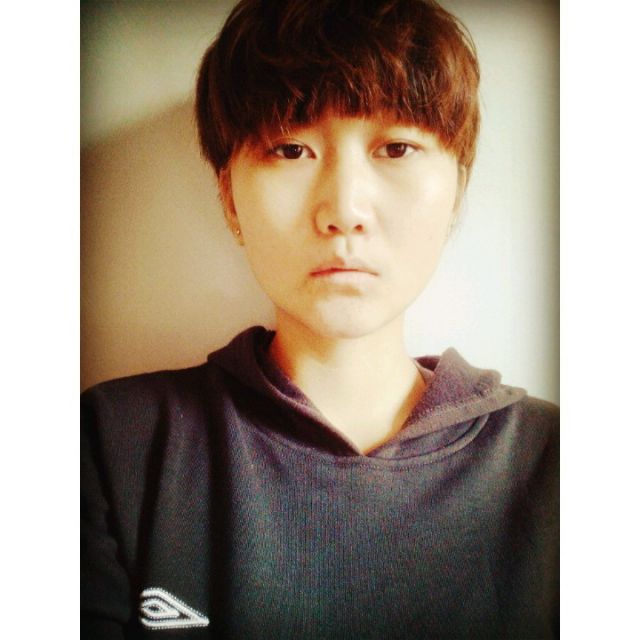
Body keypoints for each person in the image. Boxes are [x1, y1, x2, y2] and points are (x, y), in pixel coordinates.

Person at [81, 0, 559, 638]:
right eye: (290, 149)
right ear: (229, 198)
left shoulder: (562, 463)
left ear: (457, 192)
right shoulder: (109, 447)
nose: (344, 211)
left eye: (396, 147)